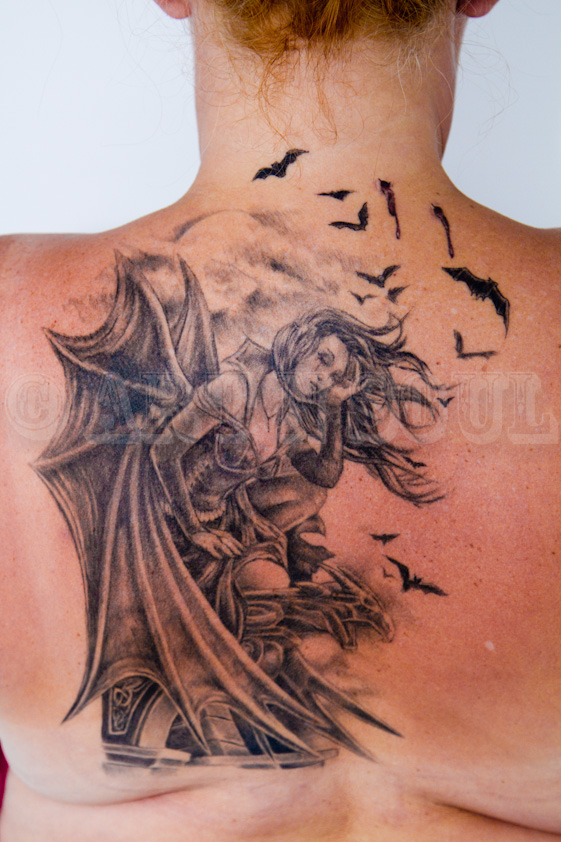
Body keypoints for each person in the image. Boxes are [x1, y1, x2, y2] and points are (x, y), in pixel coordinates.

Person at [0, 1, 559, 841]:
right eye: (323, 361)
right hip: (192, 528)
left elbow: (301, 491)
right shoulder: (234, 392)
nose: (328, 377)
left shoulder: (8, 305)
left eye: (341, 372)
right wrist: (198, 515)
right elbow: (172, 452)